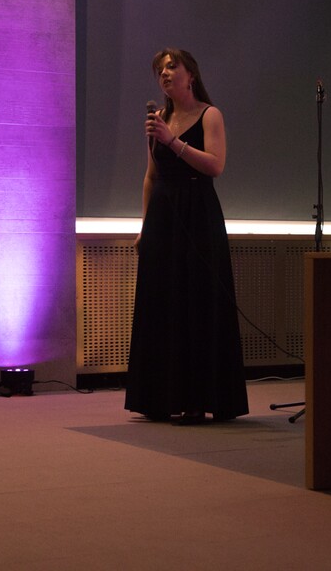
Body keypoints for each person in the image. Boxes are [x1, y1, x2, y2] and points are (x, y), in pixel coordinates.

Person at [124, 48, 249, 425]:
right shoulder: (158, 120)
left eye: (171, 67)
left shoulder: (210, 114)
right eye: (159, 70)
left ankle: (198, 399)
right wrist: (144, 226)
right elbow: (151, 177)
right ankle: (159, 397)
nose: (164, 74)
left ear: (190, 75)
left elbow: (215, 165)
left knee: (197, 301)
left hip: (198, 214)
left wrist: (173, 142)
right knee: (163, 302)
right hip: (163, 217)